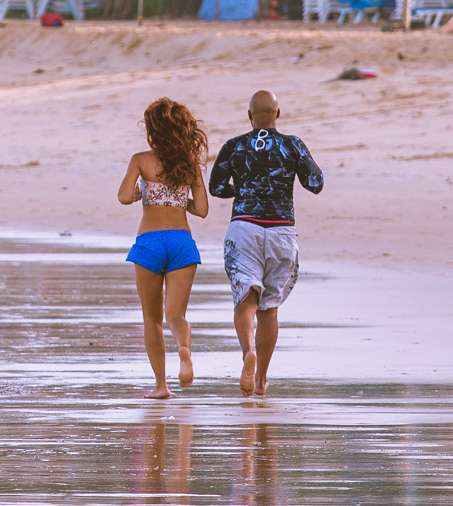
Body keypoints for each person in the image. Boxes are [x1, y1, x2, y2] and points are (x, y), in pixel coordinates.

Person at [209, 90, 324, 397]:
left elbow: (216, 187)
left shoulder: (234, 146)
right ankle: (260, 380)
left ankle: (248, 351)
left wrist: (246, 190)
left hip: (244, 228)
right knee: (269, 308)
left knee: (246, 298)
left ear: (249, 116)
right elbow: (315, 184)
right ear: (278, 114)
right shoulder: (293, 144)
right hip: (282, 232)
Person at [118, 98, 211, 399]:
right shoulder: (190, 165)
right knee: (175, 316)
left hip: (149, 242)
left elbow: (122, 196)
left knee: (151, 319)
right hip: (181, 241)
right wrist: (178, 198)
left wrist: (139, 194)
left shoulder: (140, 160)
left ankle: (161, 386)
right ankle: (184, 349)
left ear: (152, 131)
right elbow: (202, 210)